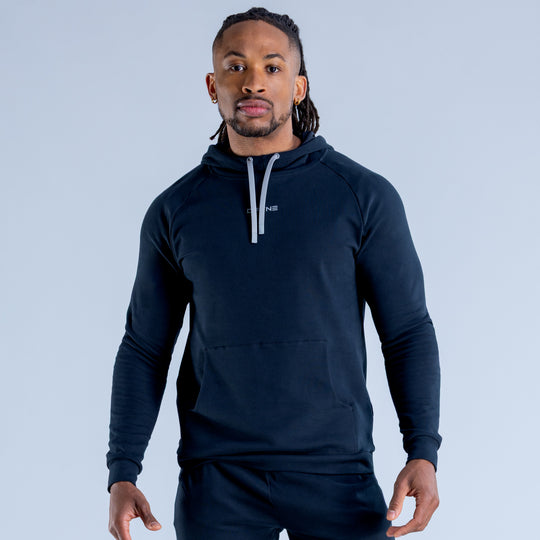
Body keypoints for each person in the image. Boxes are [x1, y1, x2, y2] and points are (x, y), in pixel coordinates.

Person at [106, 7, 441, 540]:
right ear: (213, 86)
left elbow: (407, 331)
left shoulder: (361, 196)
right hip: (217, 481)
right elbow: (145, 347)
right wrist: (123, 469)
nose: (253, 82)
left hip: (338, 473)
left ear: (298, 87)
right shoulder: (176, 210)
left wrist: (422, 450)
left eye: (272, 66)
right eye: (236, 66)